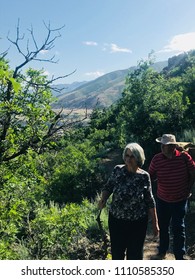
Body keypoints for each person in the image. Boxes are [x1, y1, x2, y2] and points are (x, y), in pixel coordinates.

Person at [98, 143, 159, 260]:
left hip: (138, 223)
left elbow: (150, 200)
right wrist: (103, 199)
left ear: (138, 158)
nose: (128, 159)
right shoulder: (118, 170)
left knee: (135, 255)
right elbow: (108, 187)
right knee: (117, 253)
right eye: (127, 155)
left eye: (132, 156)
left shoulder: (144, 176)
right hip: (117, 220)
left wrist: (155, 224)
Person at [149, 134, 195, 260]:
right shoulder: (157, 159)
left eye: (167, 145)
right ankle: (162, 251)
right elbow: (150, 176)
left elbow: (193, 171)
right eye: (163, 145)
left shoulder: (184, 157)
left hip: (180, 199)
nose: (164, 148)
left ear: (174, 146)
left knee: (178, 227)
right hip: (163, 199)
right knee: (163, 227)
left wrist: (188, 188)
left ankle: (179, 255)